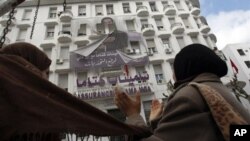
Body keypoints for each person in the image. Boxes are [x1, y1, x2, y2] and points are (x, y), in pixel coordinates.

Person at [114, 43, 250, 141]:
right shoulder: (219, 90)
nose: (172, 75)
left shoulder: (190, 95)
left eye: (174, 68)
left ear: (183, 67)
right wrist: (157, 122)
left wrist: (133, 115)